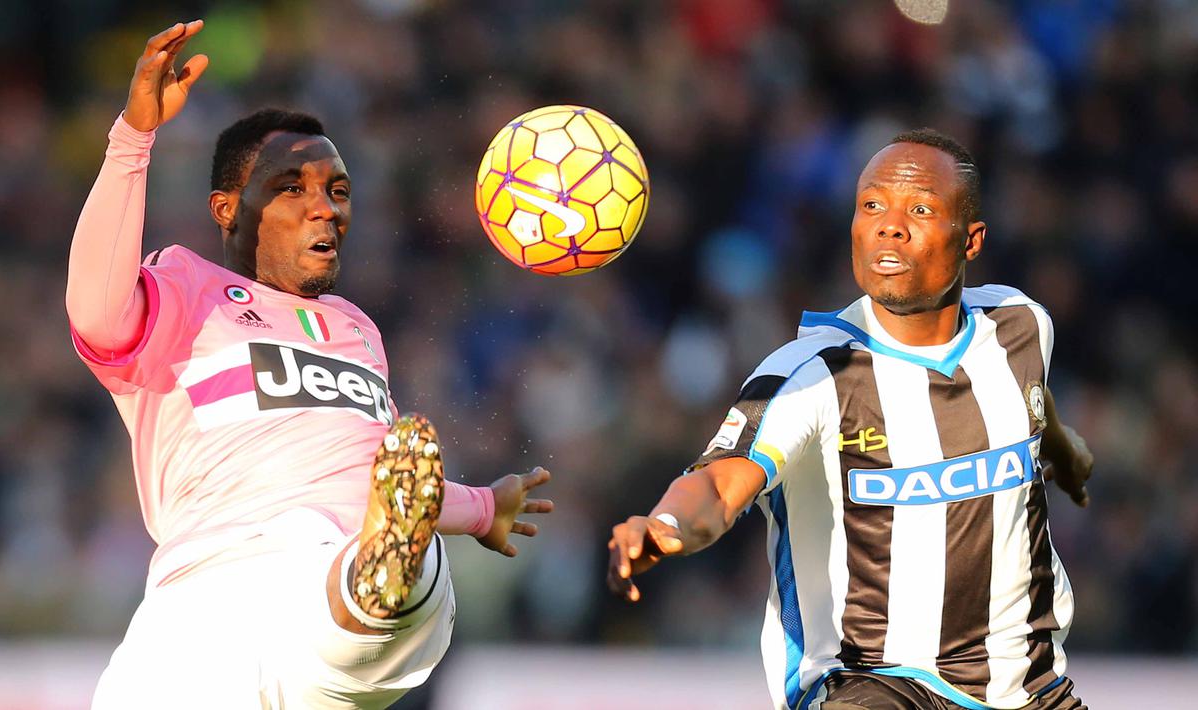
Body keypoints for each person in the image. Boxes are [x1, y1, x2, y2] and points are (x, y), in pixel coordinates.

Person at [67, 21, 552, 708]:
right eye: (293, 188)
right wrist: (132, 137)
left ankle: (369, 591)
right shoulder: (180, 288)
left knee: (380, 564)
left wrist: (476, 507)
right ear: (228, 210)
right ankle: (374, 581)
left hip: (326, 577)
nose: (325, 208)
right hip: (203, 608)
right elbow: (90, 311)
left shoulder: (356, 330)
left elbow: (379, 479)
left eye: (339, 190)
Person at [607, 129, 1093, 710]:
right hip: (871, 683)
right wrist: (667, 524)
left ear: (971, 240)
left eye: (919, 208)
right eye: (871, 206)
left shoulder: (1021, 325)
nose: (890, 224)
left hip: (1030, 688)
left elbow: (1032, 406)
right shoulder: (811, 374)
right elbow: (719, 480)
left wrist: (1063, 450)